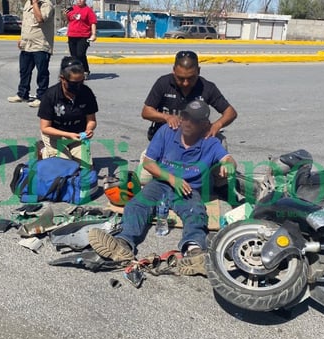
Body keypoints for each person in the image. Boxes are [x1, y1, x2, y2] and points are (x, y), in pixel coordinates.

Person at [89, 100, 236, 276]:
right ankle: (123, 244)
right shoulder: (167, 131)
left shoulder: (209, 141)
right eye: (186, 117)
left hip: (189, 189)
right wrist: (172, 179)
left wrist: (228, 166)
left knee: (196, 212)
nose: (188, 123)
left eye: (195, 120)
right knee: (136, 205)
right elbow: (148, 162)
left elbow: (228, 159)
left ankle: (195, 252)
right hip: (161, 182)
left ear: (205, 124)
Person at [138, 50, 238, 185]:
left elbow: (230, 112)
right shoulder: (163, 83)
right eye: (180, 78)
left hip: (198, 140)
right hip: (168, 141)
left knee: (223, 168)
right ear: (174, 71)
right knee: (144, 178)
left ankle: (215, 184)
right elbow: (146, 111)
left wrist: (217, 125)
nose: (185, 83)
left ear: (199, 71)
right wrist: (166, 117)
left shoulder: (207, 87)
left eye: (190, 78)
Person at [37, 56, 98, 169]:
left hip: (77, 136)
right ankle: (43, 150)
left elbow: (92, 120)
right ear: (63, 79)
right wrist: (68, 135)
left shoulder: (86, 93)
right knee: (64, 169)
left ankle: (70, 154)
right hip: (55, 136)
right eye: (74, 83)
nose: (78, 86)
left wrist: (89, 129)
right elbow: (45, 128)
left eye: (81, 82)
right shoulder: (50, 95)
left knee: (85, 171)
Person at [7, 0, 55, 108]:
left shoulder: (46, 4)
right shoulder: (27, 3)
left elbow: (40, 19)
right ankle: (22, 94)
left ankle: (41, 97)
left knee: (42, 73)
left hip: (40, 45)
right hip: (27, 44)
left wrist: (35, 4)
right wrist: (22, 38)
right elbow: (26, 23)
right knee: (24, 71)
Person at [64, 0, 97, 79]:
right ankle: (76, 72)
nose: (79, 1)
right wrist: (65, 15)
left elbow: (93, 22)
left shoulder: (88, 10)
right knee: (74, 56)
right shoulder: (72, 9)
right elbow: (68, 20)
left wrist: (94, 34)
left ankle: (85, 70)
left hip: (83, 36)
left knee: (80, 54)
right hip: (72, 35)